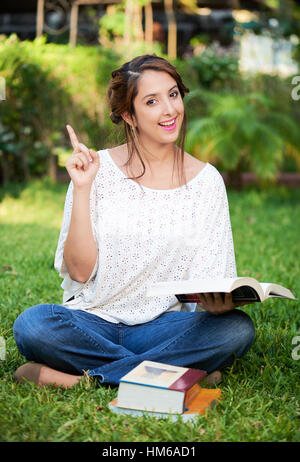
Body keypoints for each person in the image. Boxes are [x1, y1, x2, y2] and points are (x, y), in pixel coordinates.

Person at [13, 54, 255, 389]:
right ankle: (175, 374)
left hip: (165, 326)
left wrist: (219, 302)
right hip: (92, 321)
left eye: (173, 94)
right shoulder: (96, 170)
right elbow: (81, 273)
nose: (169, 110)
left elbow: (212, 276)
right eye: (152, 101)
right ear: (129, 115)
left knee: (236, 329)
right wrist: (83, 189)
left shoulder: (207, 181)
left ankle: (83, 380)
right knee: (34, 325)